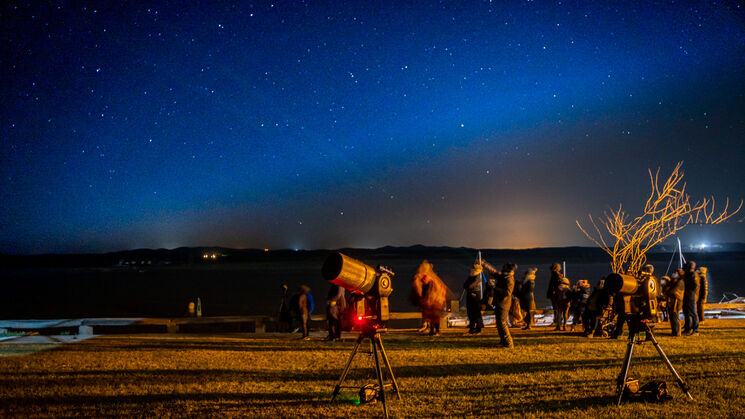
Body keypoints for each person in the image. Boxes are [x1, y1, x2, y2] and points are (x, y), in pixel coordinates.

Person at [483, 262, 516, 348]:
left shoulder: (509, 279)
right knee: (499, 323)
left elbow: (507, 293)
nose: (502, 268)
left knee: (502, 323)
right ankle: (503, 341)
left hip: (504, 304)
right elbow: (494, 272)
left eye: (503, 267)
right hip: (499, 303)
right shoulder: (504, 276)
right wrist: (484, 265)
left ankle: (509, 343)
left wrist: (494, 287)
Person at [412, 261, 447, 336]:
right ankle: (432, 330)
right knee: (430, 317)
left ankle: (436, 330)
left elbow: (434, 290)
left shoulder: (431, 280)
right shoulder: (425, 277)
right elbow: (421, 287)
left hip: (434, 301)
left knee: (435, 316)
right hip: (429, 301)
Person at [463, 264, 485, 335]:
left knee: (476, 312)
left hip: (475, 296)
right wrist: (468, 287)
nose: (471, 269)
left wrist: (468, 287)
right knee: (470, 312)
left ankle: (478, 328)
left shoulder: (477, 277)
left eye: (473, 268)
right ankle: (472, 329)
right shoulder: (471, 276)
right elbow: (465, 285)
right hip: (470, 295)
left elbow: (469, 286)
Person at [663, 271, 685, 336]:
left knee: (675, 317)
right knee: (672, 317)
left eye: (676, 273)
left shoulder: (680, 282)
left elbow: (674, 291)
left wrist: (667, 291)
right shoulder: (674, 281)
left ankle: (677, 332)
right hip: (672, 301)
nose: (674, 274)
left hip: (676, 301)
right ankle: (674, 331)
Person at [682, 261, 700, 336]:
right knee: (687, 313)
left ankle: (695, 330)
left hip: (691, 296)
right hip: (687, 295)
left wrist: (687, 287)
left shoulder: (693, 274)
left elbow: (694, 285)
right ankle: (687, 328)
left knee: (693, 313)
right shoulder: (688, 274)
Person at [547, 263, 564, 327]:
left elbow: (555, 284)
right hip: (556, 293)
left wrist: (554, 291)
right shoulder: (557, 274)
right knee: (557, 307)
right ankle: (558, 320)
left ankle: (557, 320)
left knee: (556, 307)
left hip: (555, 294)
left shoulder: (555, 274)